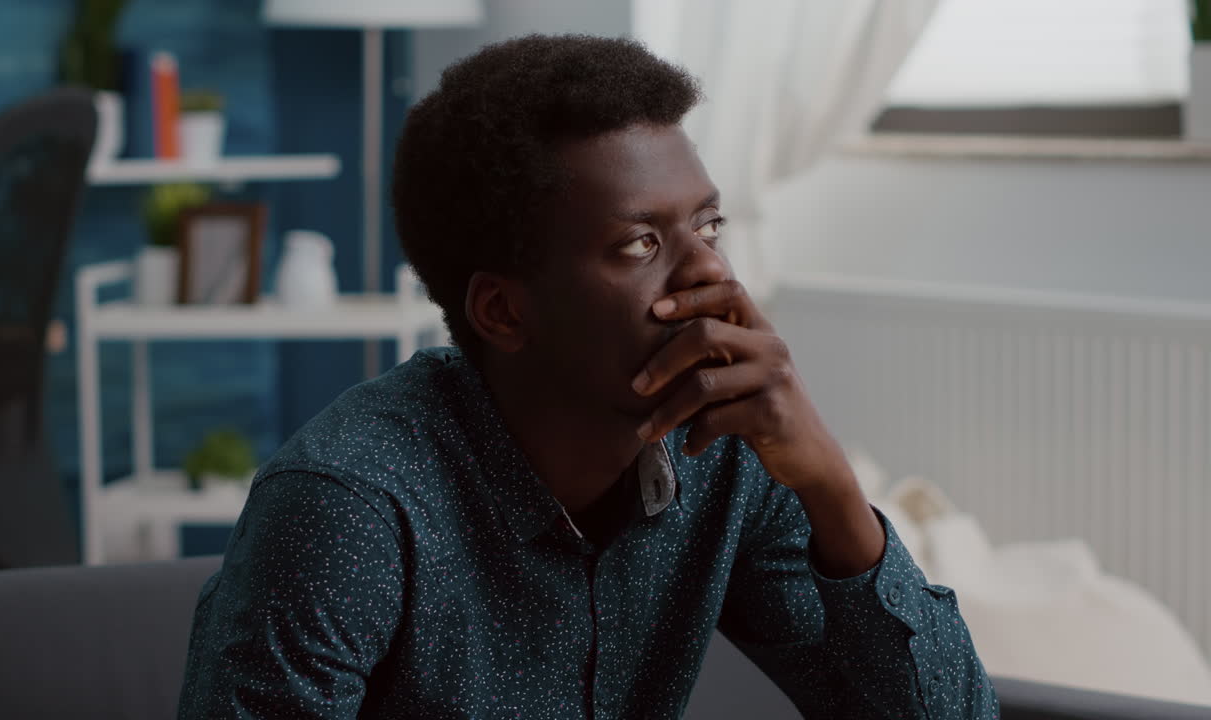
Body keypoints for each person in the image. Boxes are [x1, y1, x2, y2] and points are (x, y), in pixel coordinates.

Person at [178, 33, 998, 719]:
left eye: (708, 226)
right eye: (641, 244)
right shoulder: (348, 507)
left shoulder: (724, 457)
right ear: (502, 312)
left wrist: (828, 483)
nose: (714, 280)